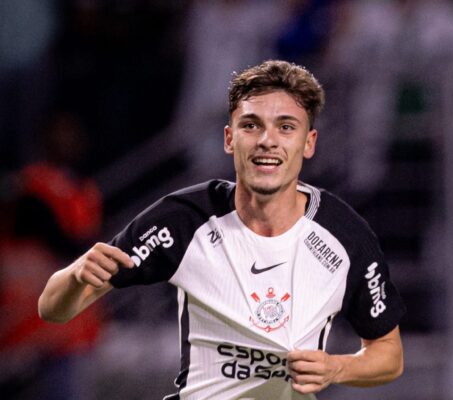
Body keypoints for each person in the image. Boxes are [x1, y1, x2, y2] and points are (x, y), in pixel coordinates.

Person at [38, 60, 406, 400]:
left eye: (286, 127)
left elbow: (388, 354)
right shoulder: (184, 219)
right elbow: (52, 308)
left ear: (308, 144)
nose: (267, 140)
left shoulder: (343, 235)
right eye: (251, 125)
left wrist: (337, 367)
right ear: (229, 139)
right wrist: (75, 275)